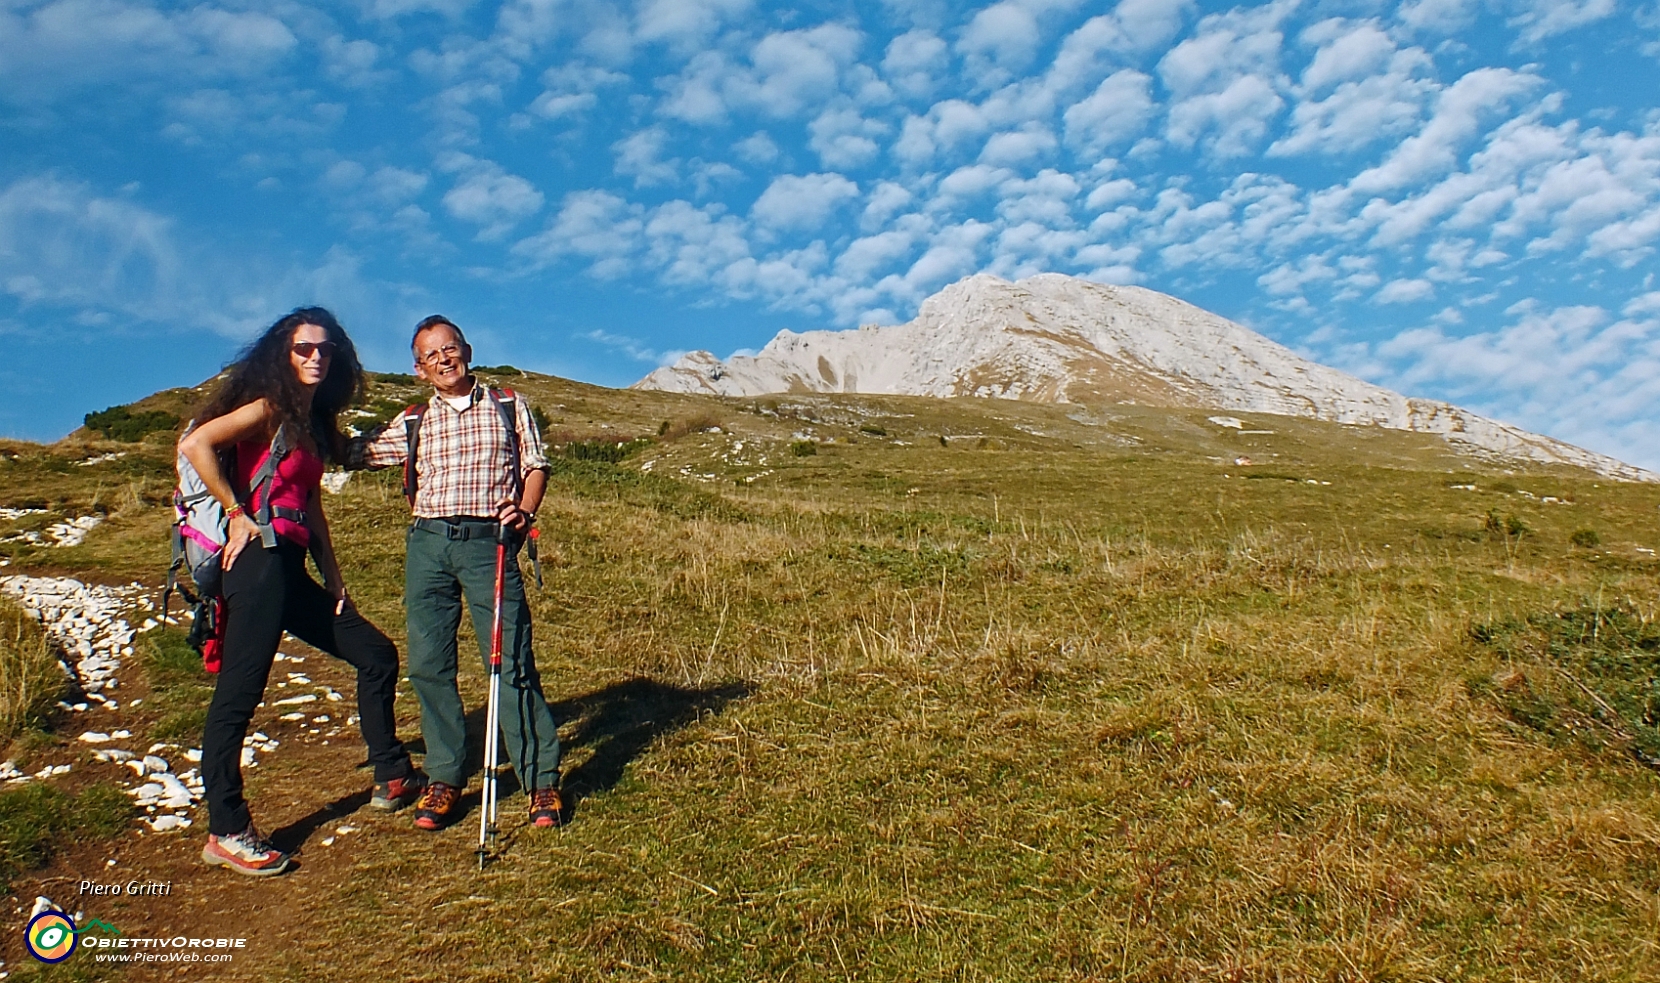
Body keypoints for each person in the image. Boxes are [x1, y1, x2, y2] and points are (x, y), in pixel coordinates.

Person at [178, 307, 423, 877]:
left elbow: (309, 504)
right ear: (282, 355)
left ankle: (390, 772)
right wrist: (237, 513)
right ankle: (227, 829)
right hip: (257, 564)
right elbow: (199, 445)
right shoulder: (266, 409)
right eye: (303, 349)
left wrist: (334, 577)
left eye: (325, 349)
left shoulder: (311, 428)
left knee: (375, 653)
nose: (316, 357)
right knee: (238, 697)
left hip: (291, 567)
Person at [350, 314, 564, 831]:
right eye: (431, 356)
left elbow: (535, 465)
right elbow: (353, 453)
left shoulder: (508, 405)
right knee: (428, 663)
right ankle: (444, 776)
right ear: (419, 369)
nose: (443, 360)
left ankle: (541, 783)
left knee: (511, 661)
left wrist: (525, 510)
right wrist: (301, 419)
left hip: (488, 543)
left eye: (450, 349)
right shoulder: (414, 420)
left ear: (467, 350)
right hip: (428, 543)